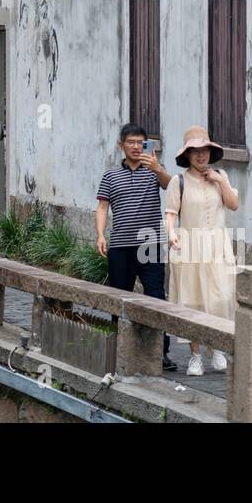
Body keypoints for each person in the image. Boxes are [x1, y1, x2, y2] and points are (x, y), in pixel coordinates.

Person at [95, 123, 176, 372]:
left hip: (150, 243)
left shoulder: (153, 171)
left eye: (140, 142)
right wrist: (100, 235)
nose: (135, 146)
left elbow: (172, 187)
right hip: (120, 245)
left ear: (146, 145)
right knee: (120, 296)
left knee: (155, 297)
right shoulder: (110, 176)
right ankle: (120, 346)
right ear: (121, 145)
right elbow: (102, 207)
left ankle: (160, 352)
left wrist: (158, 168)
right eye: (130, 142)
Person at [166, 126, 240, 377]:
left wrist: (219, 181)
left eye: (204, 150)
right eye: (195, 151)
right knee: (192, 300)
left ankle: (217, 347)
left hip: (217, 245)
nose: (200, 155)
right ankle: (195, 356)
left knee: (221, 297)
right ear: (187, 155)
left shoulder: (222, 176)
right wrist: (171, 232)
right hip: (189, 245)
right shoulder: (179, 181)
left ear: (211, 151)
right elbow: (171, 213)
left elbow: (233, 205)